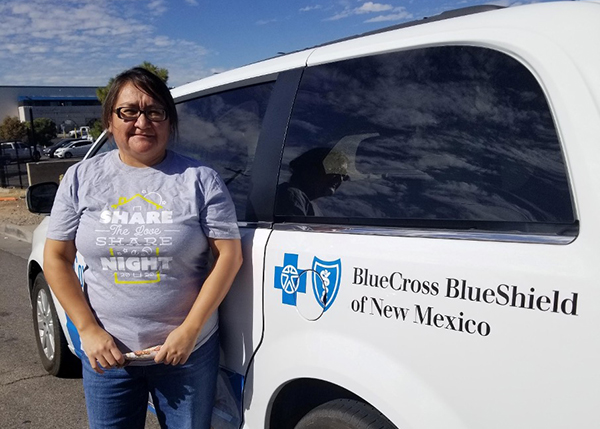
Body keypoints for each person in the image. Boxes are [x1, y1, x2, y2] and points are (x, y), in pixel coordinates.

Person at [43, 67, 243, 429]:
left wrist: (190, 330)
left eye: (155, 111)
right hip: (106, 353)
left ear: (169, 120)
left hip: (186, 353)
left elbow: (228, 255)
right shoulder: (80, 178)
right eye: (129, 111)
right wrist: (88, 330)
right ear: (109, 120)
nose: (142, 122)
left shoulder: (200, 180)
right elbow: (56, 257)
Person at [275, 147, 349, 216]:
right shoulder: (291, 196)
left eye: (344, 176)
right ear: (311, 169)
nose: (340, 179)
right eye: (335, 171)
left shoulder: (310, 206)